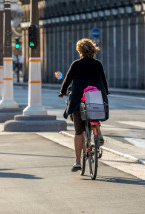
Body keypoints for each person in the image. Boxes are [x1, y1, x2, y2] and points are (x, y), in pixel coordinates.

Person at [58, 38, 109, 172]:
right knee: (95, 114)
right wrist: (106, 92)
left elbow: (67, 80)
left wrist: (63, 92)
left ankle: (77, 161)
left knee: (79, 131)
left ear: (79, 51)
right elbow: (103, 81)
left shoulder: (76, 64)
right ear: (93, 50)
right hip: (96, 98)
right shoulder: (98, 64)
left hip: (79, 100)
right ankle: (99, 134)